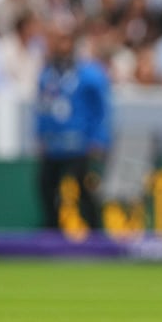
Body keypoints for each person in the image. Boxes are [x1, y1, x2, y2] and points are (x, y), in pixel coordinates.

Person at [34, 18, 111, 231]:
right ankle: (52, 228)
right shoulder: (47, 75)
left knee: (83, 188)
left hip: (80, 144)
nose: (59, 45)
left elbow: (101, 109)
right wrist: (40, 135)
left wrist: (99, 139)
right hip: (54, 145)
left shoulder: (89, 74)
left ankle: (94, 230)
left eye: (64, 40)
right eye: (55, 40)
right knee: (46, 186)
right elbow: (42, 108)